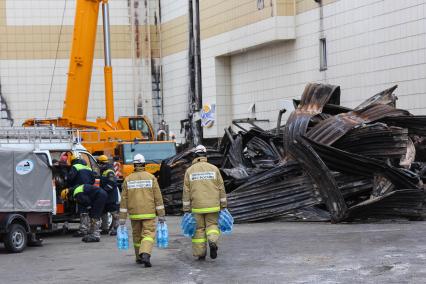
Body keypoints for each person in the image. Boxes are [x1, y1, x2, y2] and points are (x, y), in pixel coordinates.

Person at [119, 154, 166, 267]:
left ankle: (139, 257)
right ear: (144, 164)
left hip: (134, 214)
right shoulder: (151, 178)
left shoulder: (128, 179)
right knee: (148, 234)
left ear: (134, 165)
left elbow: (124, 201)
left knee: (137, 236)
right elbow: (158, 198)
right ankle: (145, 253)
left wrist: (122, 218)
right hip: (149, 213)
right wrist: (161, 215)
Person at [183, 145, 227, 260]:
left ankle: (200, 254)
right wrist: (223, 205)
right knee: (212, 226)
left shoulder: (189, 171)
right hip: (213, 206)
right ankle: (212, 242)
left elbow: (186, 191)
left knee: (199, 229)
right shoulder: (214, 169)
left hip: (197, 206)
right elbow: (221, 188)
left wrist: (186, 209)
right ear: (205, 155)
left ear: (195, 156)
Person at [66, 152, 97, 238]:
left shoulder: (75, 167)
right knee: (88, 209)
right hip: (89, 189)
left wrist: (70, 187)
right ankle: (90, 228)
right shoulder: (88, 168)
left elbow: (70, 178)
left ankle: (83, 230)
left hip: (80, 190)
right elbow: (93, 180)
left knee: (83, 209)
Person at [97, 155, 120, 236]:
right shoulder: (104, 171)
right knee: (104, 213)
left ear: (102, 163)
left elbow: (112, 183)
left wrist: (104, 190)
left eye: (99, 163)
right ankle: (105, 229)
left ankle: (116, 229)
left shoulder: (109, 171)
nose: (98, 165)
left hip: (111, 197)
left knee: (114, 214)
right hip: (105, 196)